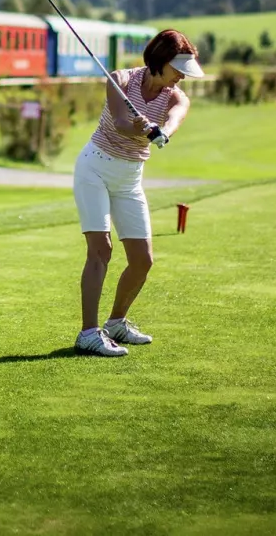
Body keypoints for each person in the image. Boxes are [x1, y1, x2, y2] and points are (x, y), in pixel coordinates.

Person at [71, 29, 202, 357]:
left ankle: (116, 323)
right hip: (95, 169)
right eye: (178, 70)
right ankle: (88, 332)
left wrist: (162, 131)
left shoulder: (175, 95)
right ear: (161, 62)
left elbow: (175, 117)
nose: (182, 78)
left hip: (129, 179)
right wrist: (138, 126)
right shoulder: (121, 80)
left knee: (142, 261)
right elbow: (117, 121)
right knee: (101, 249)